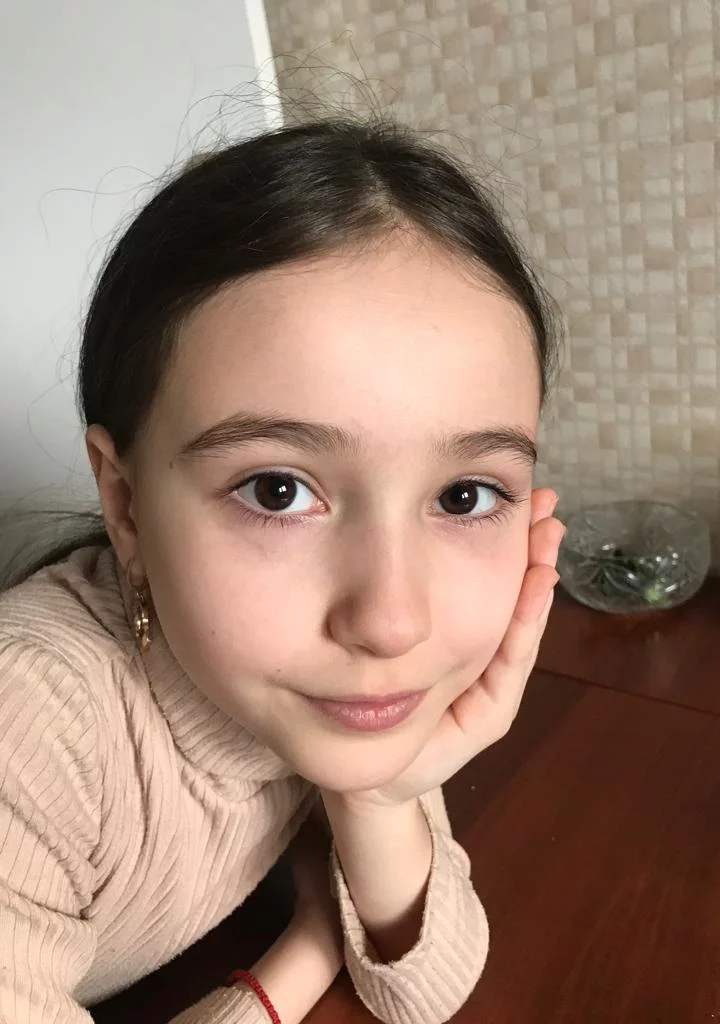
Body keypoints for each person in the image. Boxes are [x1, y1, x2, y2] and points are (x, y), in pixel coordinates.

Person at [0, 116, 566, 1024]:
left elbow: (425, 989)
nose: (391, 622)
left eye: (464, 497)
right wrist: (300, 959)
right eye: (277, 490)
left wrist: (377, 792)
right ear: (126, 502)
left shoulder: (329, 694)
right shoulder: (29, 729)